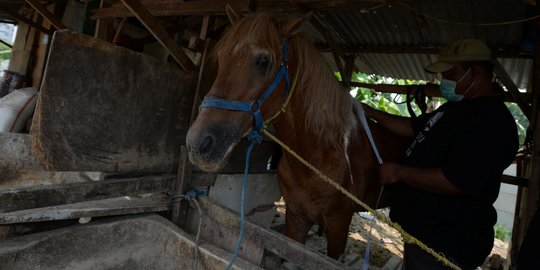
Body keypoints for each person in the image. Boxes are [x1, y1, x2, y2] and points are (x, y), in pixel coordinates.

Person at [363, 39, 519, 270]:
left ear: (474, 72)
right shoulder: (454, 109)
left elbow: (459, 181)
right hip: (425, 234)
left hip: (447, 243)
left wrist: (400, 173)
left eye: (450, 73)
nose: (443, 80)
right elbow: (411, 128)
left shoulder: (492, 121)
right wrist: (369, 111)